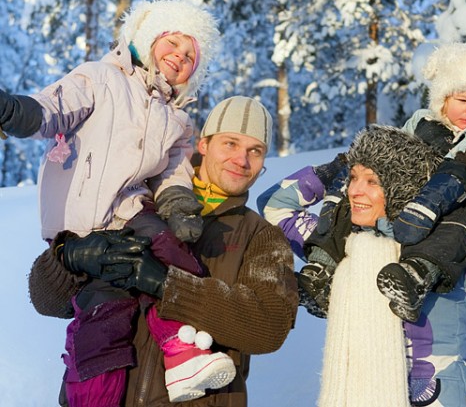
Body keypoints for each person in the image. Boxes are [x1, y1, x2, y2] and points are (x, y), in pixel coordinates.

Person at [1, 0, 236, 405]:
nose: (178, 58)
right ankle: (91, 396)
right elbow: (52, 109)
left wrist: (179, 203)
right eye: (173, 44)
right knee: (104, 314)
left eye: (189, 56)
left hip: (131, 211)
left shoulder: (177, 117)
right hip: (80, 225)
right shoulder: (101, 79)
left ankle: (181, 353)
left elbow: (173, 171)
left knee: (177, 259)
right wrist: (14, 111)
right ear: (149, 39)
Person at [28, 95, 299, 406]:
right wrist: (70, 256)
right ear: (203, 144)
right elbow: (46, 300)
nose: (242, 159)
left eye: (256, 150)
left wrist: (168, 286)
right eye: (230, 143)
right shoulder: (137, 203)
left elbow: (267, 326)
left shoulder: (261, 237)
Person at [258, 124, 466, 406]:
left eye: (372, 181)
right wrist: (334, 169)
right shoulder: (338, 246)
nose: (355, 190)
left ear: (402, 188)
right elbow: (274, 204)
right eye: (353, 178)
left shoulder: (446, 246)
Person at [282, 42, 466, 322]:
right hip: (407, 201)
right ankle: (321, 271)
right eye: (463, 100)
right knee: (355, 198)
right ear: (443, 100)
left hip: (456, 206)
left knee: (457, 227)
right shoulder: (422, 122)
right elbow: (393, 149)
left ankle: (417, 277)